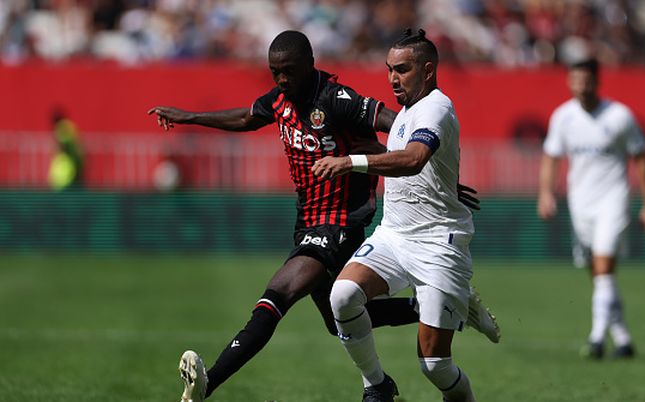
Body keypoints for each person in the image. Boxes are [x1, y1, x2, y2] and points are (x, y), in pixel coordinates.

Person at [148, 30, 498, 402]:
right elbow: (246, 118)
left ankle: (208, 384)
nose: (282, 80)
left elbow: (400, 127)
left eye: (289, 71)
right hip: (311, 222)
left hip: (341, 222)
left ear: (310, 64)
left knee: (278, 294)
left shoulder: (339, 99)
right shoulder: (281, 99)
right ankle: (442, 309)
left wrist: (429, 166)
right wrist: (190, 117)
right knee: (340, 316)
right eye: (275, 72)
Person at [313, 29, 480, 402]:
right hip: (394, 235)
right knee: (342, 296)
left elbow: (414, 160)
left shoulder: (437, 107)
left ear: (428, 69)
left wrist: (349, 162)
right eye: (389, 69)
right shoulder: (405, 113)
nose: (392, 78)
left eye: (402, 69)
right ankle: (377, 386)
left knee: (435, 365)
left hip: (439, 242)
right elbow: (408, 156)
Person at [537, 58, 645, 359]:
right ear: (569, 82)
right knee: (599, 273)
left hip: (613, 200)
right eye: (575, 79)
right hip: (581, 203)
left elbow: (641, 159)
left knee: (603, 267)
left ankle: (595, 338)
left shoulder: (619, 116)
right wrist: (545, 194)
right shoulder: (563, 117)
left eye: (586, 79)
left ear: (597, 81)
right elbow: (551, 157)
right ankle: (622, 337)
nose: (581, 85)